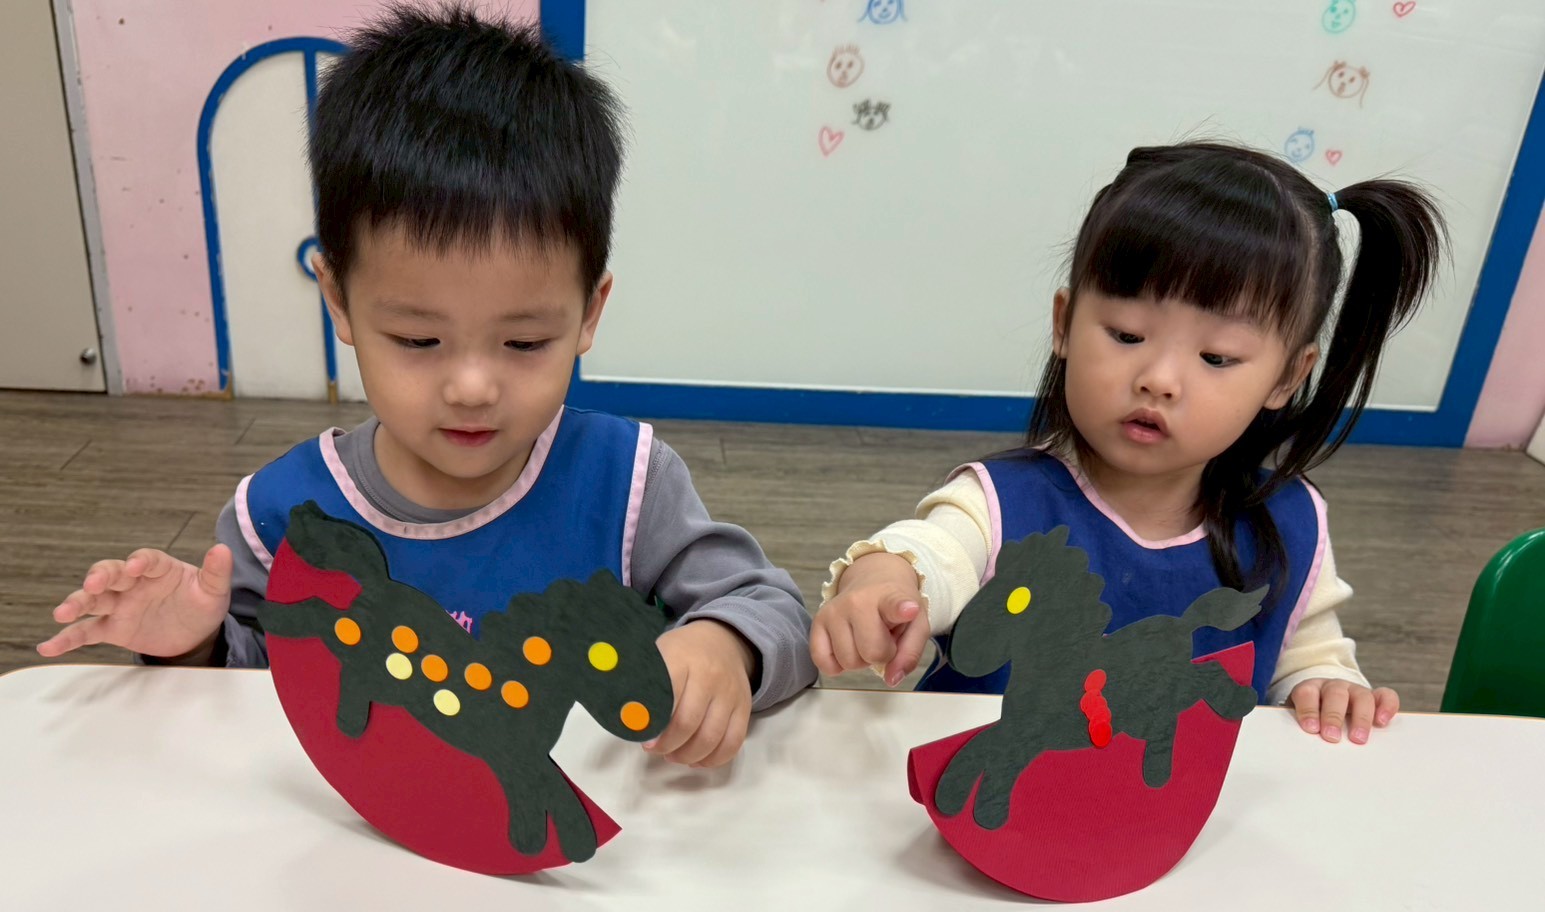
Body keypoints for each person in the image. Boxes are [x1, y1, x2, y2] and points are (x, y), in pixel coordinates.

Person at [40, 5, 817, 769]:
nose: (472, 387)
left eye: (524, 342)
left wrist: (724, 645)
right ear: (339, 299)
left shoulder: (628, 485)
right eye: (418, 341)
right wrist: (194, 646)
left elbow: (774, 610)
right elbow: (257, 697)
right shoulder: (280, 518)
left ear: (589, 312)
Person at [812, 141, 1445, 746]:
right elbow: (931, 555)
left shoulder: (1288, 521)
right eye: (1127, 335)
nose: (1159, 379)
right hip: (993, 792)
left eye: (1216, 357)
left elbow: (1304, 651)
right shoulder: (1000, 504)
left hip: (1174, 808)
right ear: (1065, 324)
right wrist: (883, 580)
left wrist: (1325, 685)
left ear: (1287, 377)